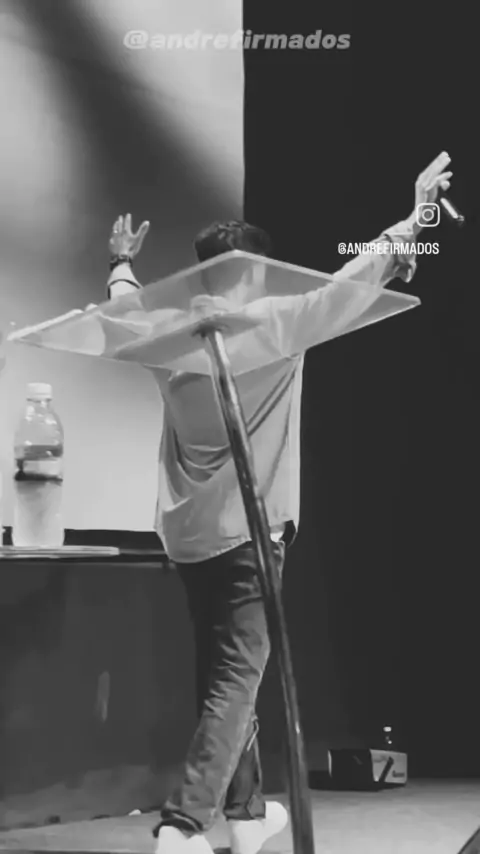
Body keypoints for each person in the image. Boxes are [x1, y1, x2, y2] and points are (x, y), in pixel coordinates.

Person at [105, 152, 452, 854]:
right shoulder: (278, 323)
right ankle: (182, 824)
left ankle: (243, 815)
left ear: (203, 272)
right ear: (258, 271)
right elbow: (362, 275)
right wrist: (419, 214)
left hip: (188, 538)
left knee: (224, 676)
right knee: (237, 678)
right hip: (248, 535)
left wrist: (120, 262)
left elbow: (119, 314)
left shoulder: (166, 336)